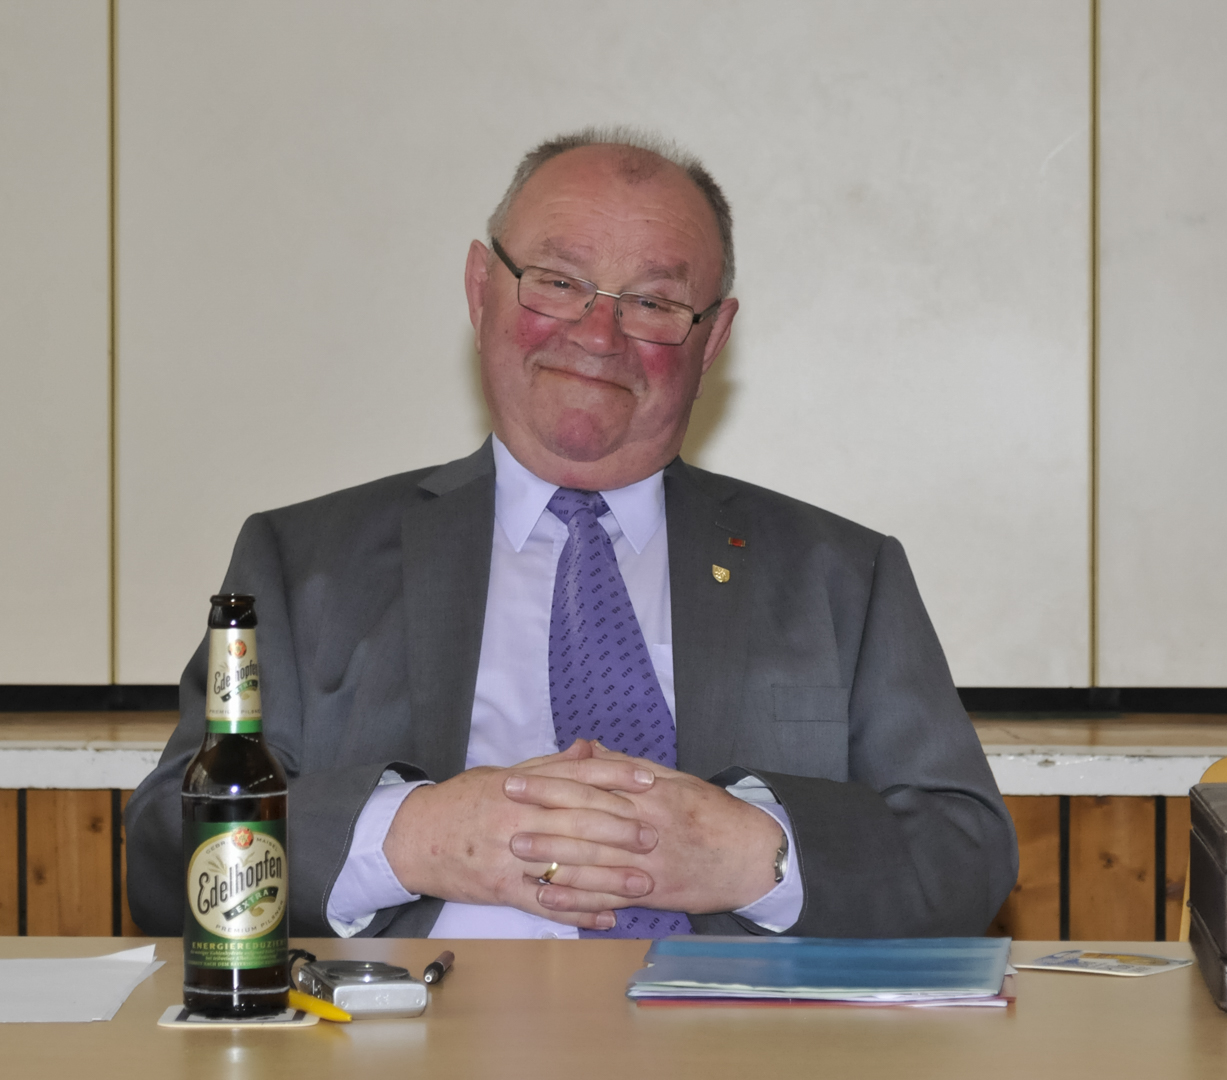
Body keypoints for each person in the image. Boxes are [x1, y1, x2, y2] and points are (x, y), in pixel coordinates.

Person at [126, 128, 1017, 940]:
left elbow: (965, 851)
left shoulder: (842, 576)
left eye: (654, 301)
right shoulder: (303, 563)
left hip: (737, 1035)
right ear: (481, 290)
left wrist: (752, 854)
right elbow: (171, 844)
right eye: (558, 282)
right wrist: (411, 837)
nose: (598, 335)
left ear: (712, 340)